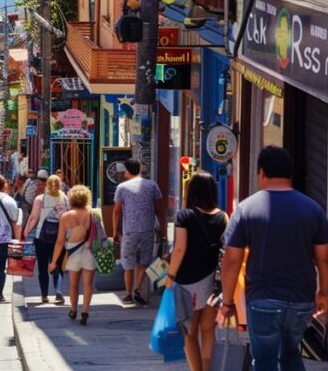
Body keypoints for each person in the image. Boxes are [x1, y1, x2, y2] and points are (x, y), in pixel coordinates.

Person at [221, 146, 328, 371]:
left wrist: (227, 302)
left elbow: (232, 260)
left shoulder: (245, 209)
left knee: (264, 361)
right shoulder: (313, 209)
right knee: (291, 355)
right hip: (301, 299)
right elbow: (324, 258)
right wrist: (323, 292)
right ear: (290, 174)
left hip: (262, 299)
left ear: (261, 172)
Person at [164, 172, 227, 371]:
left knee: (190, 332)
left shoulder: (185, 216)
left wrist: (170, 276)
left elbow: (180, 249)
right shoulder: (223, 216)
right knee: (208, 329)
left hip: (187, 280)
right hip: (213, 281)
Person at [49, 185, 104, 325]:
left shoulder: (66, 217)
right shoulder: (94, 214)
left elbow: (60, 241)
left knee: (73, 284)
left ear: (71, 199)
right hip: (89, 251)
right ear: (87, 198)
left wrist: (54, 262)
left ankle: (73, 309)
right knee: (88, 284)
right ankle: (85, 311)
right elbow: (102, 236)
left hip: (72, 253)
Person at [112, 158, 164, 306]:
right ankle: (138, 290)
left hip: (130, 231)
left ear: (128, 171)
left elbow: (116, 212)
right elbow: (159, 207)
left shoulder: (122, 187)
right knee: (144, 262)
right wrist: (162, 228)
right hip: (148, 229)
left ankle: (128, 294)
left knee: (128, 263)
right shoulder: (152, 185)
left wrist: (115, 231)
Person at [23, 174, 70, 304]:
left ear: (47, 184)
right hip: (60, 237)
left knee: (43, 267)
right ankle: (59, 291)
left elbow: (33, 218)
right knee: (58, 265)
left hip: (41, 237)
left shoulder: (40, 198)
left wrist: (26, 231)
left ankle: (44, 295)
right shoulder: (65, 198)